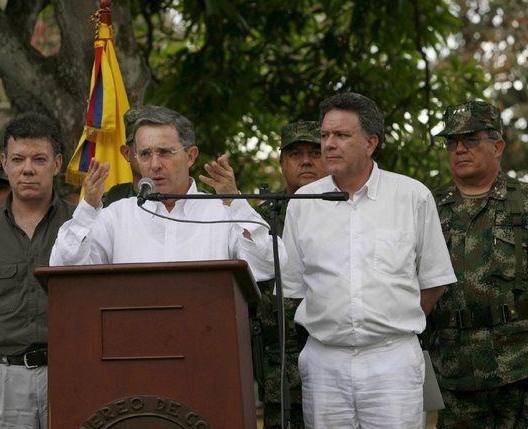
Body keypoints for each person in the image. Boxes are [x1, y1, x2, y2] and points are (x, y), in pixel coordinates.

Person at [281, 92, 456, 428]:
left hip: (392, 361)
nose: (329, 144)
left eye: (341, 135)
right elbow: (295, 286)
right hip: (324, 363)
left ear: (371, 143)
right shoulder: (305, 201)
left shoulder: (412, 196)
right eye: (325, 135)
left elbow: (433, 281)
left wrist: (390, 319)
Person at [50, 105, 280, 283]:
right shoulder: (118, 215)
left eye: (164, 152)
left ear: (190, 156)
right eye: (145, 154)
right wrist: (88, 208)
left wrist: (235, 203)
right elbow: (64, 268)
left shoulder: (220, 211)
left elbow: (270, 265)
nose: (155, 164)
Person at [428, 100, 528, 429]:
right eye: (451, 142)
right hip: (454, 380)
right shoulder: (427, 209)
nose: (459, 150)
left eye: (470, 140)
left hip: (524, 374)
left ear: (497, 146)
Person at [0, 112, 74, 429]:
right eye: (18, 159)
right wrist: (0, 343)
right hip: (2, 378)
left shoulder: (81, 227)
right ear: (5, 163)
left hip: (70, 371)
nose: (28, 169)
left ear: (57, 163)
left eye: (39, 159)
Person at [254, 120, 326, 429]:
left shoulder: (348, 210)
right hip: (279, 364)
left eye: (316, 152)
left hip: (334, 353)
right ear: (282, 163)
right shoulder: (260, 219)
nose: (307, 160)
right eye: (296, 153)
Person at [101, 106, 145, 207]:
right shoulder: (113, 198)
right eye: (145, 151)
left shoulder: (177, 197)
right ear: (126, 153)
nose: (154, 159)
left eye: (162, 150)